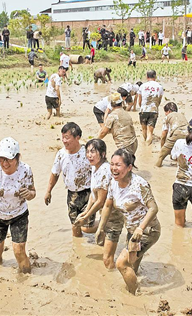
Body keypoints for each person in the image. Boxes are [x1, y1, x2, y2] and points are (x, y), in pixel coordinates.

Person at [95, 148, 160, 294]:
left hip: (148, 231)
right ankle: (133, 289)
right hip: (132, 231)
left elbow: (153, 208)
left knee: (121, 263)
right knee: (131, 267)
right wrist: (101, 227)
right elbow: (107, 204)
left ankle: (134, 296)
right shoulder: (113, 182)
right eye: (112, 164)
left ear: (129, 167)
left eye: (118, 165)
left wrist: (140, 228)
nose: (113, 168)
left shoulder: (139, 185)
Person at [0, 137, 35, 274]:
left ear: (17, 157)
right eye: (1, 159)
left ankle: (27, 281)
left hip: (19, 215)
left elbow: (33, 192)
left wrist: (29, 194)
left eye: (8, 159)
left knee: (19, 251)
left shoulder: (25, 170)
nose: (5, 163)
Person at [73, 139, 125, 269]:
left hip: (114, 217)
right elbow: (93, 194)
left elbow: (101, 200)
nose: (89, 155)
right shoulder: (95, 168)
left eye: (93, 152)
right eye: (87, 152)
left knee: (107, 260)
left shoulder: (104, 170)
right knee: (88, 231)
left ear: (102, 154)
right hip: (105, 215)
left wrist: (86, 217)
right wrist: (85, 212)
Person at [45, 123, 95, 237]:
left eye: (67, 137)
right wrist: (48, 191)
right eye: (62, 137)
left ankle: (106, 225)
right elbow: (55, 173)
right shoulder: (61, 154)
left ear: (77, 137)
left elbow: (98, 173)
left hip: (87, 193)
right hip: (71, 194)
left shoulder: (87, 153)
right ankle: (77, 250)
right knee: (75, 226)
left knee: (87, 227)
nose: (64, 141)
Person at [156, 102, 188, 167]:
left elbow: (164, 134)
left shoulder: (168, 117)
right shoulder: (182, 115)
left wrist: (163, 148)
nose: (165, 114)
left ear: (169, 111)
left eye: (165, 112)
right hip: (188, 134)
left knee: (160, 156)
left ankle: (157, 167)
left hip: (177, 133)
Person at [138, 70, 163, 145]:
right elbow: (159, 100)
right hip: (154, 110)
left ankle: (145, 147)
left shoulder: (142, 86)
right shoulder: (160, 87)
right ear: (155, 76)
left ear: (147, 77)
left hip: (143, 110)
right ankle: (148, 146)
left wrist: (142, 107)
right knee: (150, 132)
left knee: (144, 130)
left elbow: (140, 100)